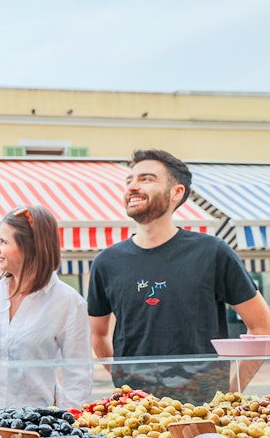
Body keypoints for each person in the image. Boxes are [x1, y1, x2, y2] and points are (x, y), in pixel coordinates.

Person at [88, 149, 270, 404]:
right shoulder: (106, 262)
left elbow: (262, 326)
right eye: (129, 180)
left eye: (146, 179)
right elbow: (98, 335)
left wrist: (230, 394)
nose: (132, 187)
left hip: (202, 409)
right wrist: (123, 378)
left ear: (177, 192)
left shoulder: (212, 252)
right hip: (132, 411)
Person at [0, 205, 92, 409]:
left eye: (3, 242)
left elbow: (78, 379)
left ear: (30, 247)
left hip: (37, 429)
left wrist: (64, 426)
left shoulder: (69, 302)